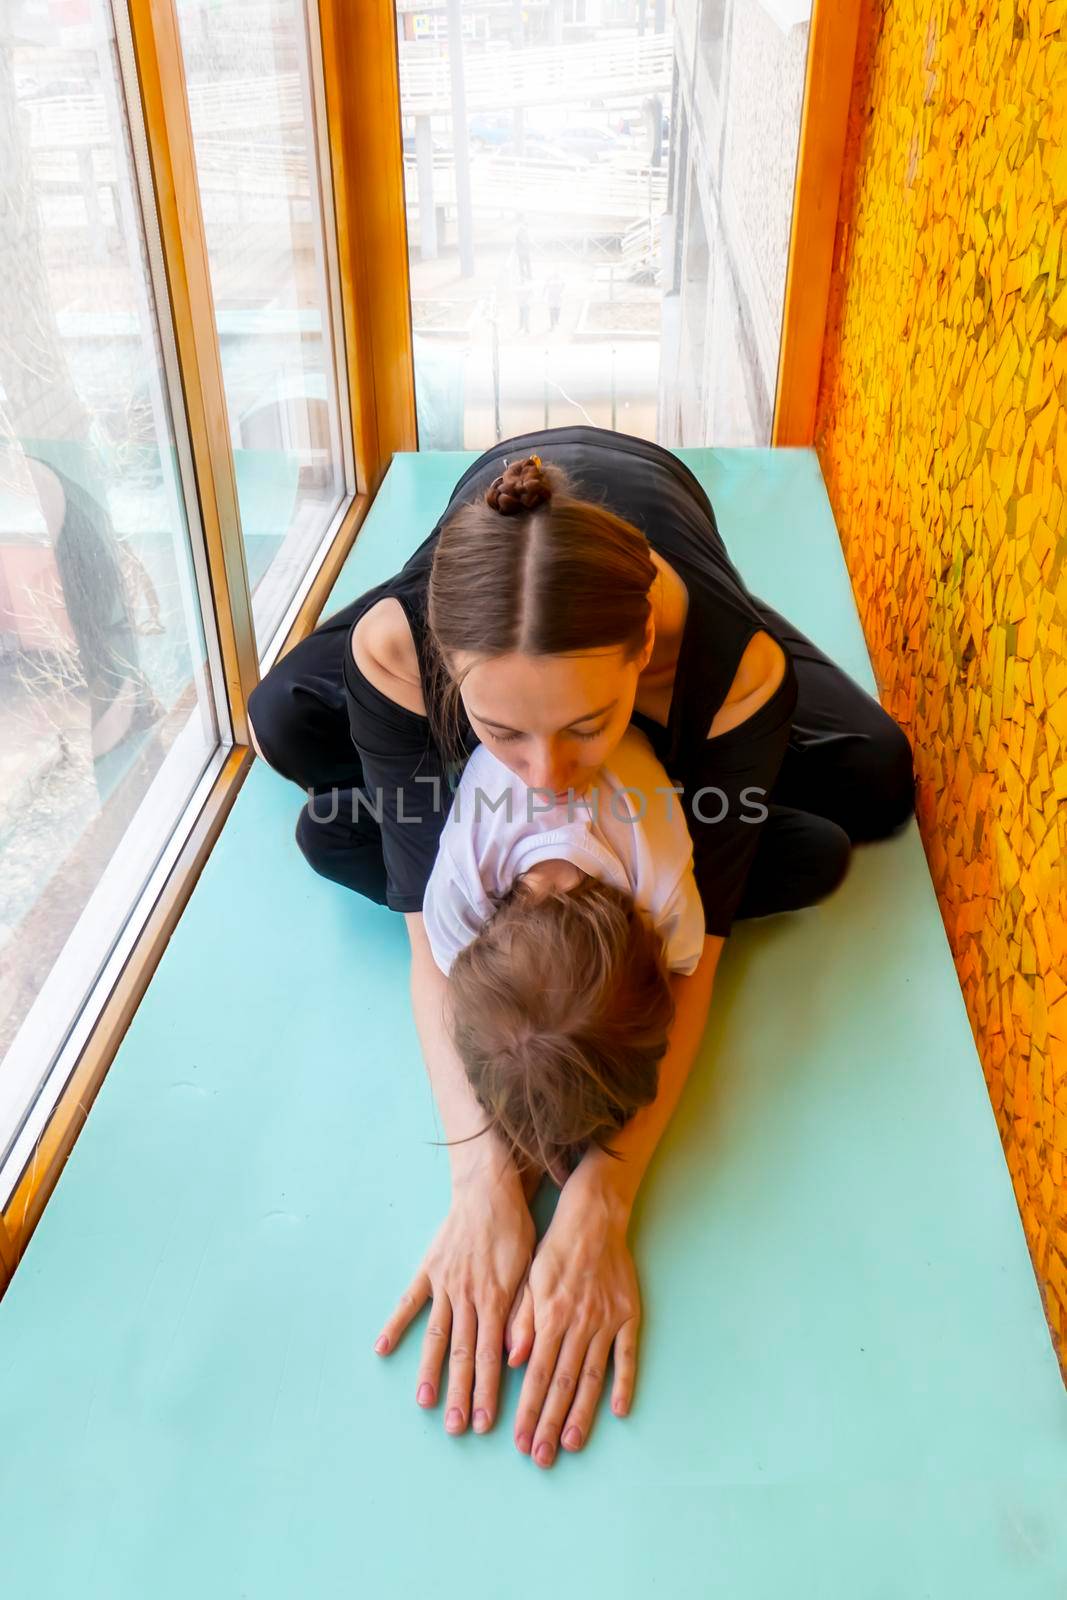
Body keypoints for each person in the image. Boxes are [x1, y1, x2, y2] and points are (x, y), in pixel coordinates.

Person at [247, 428, 915, 1469]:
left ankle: (536, 733)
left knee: (870, 786)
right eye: (503, 733)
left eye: (586, 725)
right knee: (284, 723)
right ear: (450, 672)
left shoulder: (722, 671)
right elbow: (437, 940)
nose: (549, 775)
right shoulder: (401, 651)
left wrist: (601, 1193)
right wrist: (481, 1178)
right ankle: (486, 729)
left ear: (640, 657)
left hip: (652, 504)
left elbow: (702, 952)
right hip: (491, 516)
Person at [423, 722, 706, 1186]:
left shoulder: (665, 895)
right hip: (540, 739)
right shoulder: (457, 890)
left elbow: (674, 975)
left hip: (598, 735)